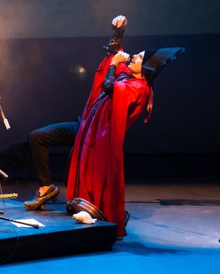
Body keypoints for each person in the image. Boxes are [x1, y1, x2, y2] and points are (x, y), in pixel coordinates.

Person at [25, 15, 184, 238]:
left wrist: (113, 65)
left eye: (137, 58)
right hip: (86, 127)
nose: (133, 57)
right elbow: (112, 57)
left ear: (145, 68)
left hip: (99, 136)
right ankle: (46, 189)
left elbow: (110, 86)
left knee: (94, 175)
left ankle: (88, 207)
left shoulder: (139, 87)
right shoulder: (129, 75)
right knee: (38, 136)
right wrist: (119, 33)